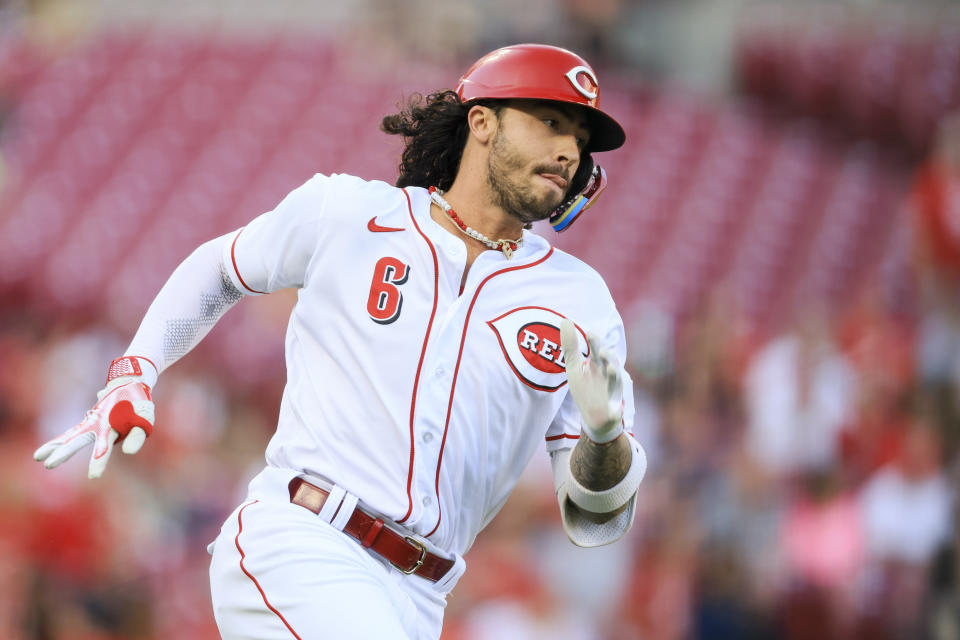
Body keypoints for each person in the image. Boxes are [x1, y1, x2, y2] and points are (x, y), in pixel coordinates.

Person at [32, 44, 647, 640]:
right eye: (550, 121)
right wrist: (136, 370)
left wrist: (603, 438)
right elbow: (222, 269)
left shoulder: (580, 300)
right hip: (303, 540)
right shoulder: (350, 211)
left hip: (421, 597)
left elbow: (596, 520)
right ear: (482, 122)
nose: (569, 149)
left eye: (580, 139)